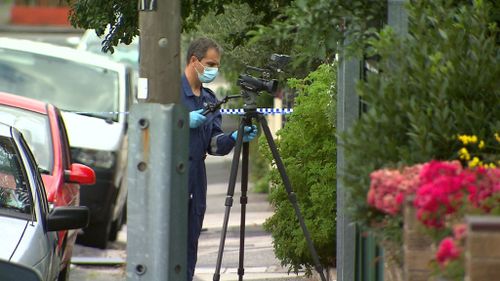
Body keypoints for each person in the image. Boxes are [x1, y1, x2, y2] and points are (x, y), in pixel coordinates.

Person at [181, 37, 258, 281]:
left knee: (190, 243)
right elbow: (151, 132)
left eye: (217, 65)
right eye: (209, 63)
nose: (213, 69)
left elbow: (214, 145)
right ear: (194, 61)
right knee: (170, 242)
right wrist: (181, 121)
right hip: (173, 177)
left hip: (197, 177)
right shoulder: (170, 92)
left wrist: (235, 137)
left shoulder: (210, 99)